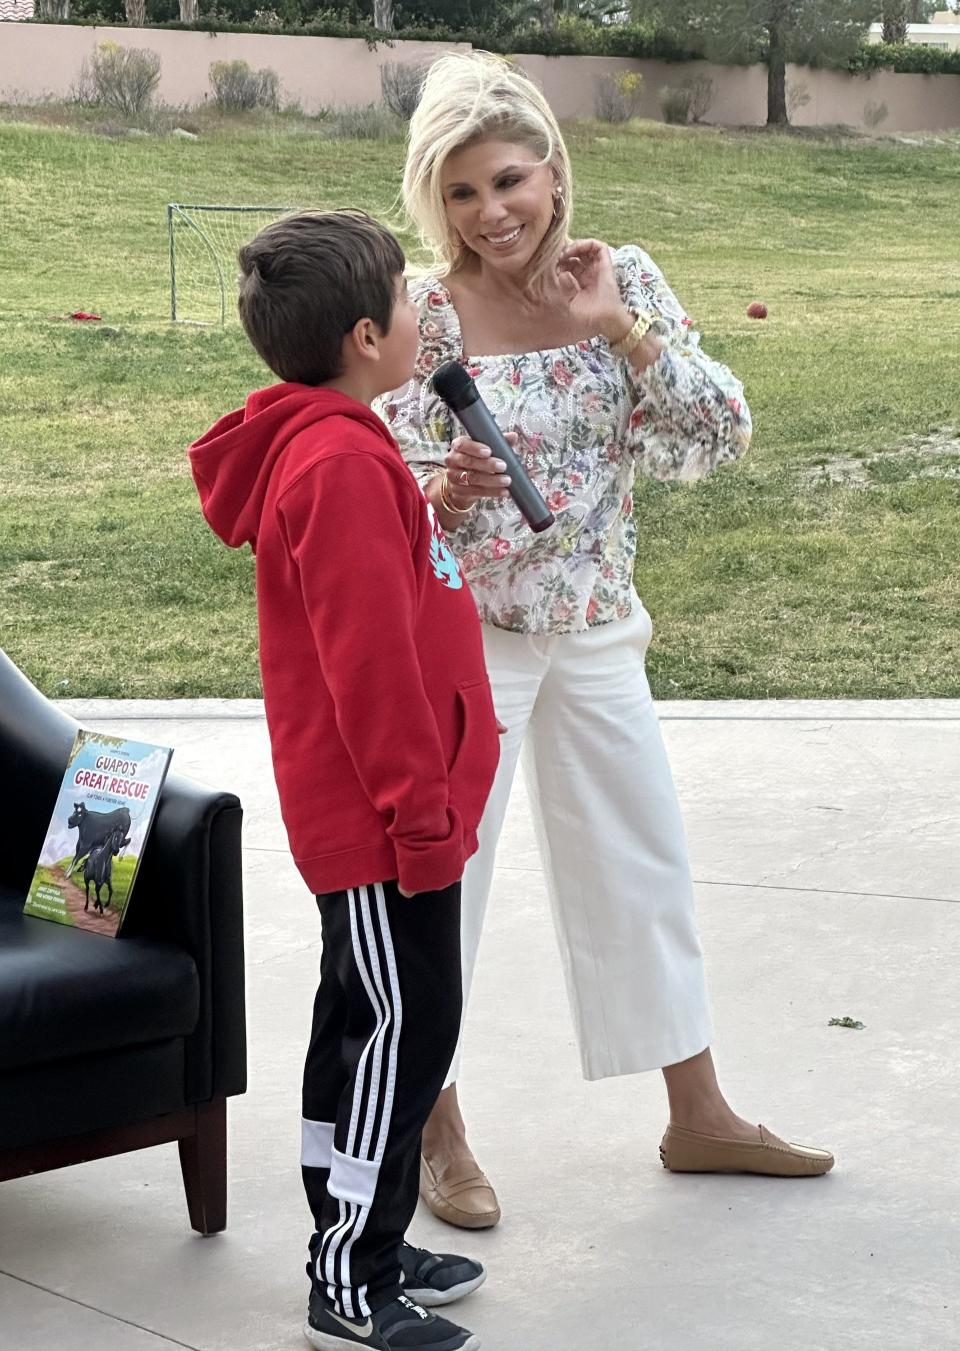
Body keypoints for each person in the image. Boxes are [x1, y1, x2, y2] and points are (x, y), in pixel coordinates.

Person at [377, 52, 834, 1232]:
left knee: (642, 861)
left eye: (510, 180)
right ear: (439, 202)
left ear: (554, 171)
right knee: (446, 877)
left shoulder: (617, 275)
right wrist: (446, 497)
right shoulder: (421, 317)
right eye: (465, 194)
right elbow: (378, 490)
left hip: (589, 624)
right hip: (468, 636)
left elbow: (715, 436)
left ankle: (698, 1111)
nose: (494, 214)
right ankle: (436, 1123)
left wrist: (619, 329)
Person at [189, 209, 502, 1351]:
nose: (427, 311)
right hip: (384, 826)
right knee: (401, 1031)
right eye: (411, 300)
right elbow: (369, 671)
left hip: (390, 819)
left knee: (366, 1027)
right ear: (370, 335)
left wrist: (431, 508)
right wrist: (421, 820)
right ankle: (348, 1280)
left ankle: (368, 1227)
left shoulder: (341, 445)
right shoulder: (334, 464)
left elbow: (386, 592)